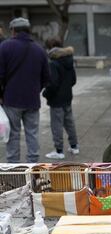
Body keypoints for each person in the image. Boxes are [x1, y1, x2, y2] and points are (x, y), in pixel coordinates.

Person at [0, 17, 50, 163]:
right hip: (32, 100)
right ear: (28, 31)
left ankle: (13, 169)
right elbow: (47, 78)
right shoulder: (39, 49)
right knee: (32, 134)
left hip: (11, 100)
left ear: (13, 30)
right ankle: (33, 168)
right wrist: (35, 90)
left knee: (13, 135)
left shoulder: (4, 47)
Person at [42, 37, 79, 160]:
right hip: (67, 97)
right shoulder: (69, 60)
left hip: (56, 99)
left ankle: (59, 150)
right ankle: (74, 146)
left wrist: (46, 93)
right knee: (69, 122)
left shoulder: (53, 63)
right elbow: (73, 80)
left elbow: (52, 84)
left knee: (56, 124)